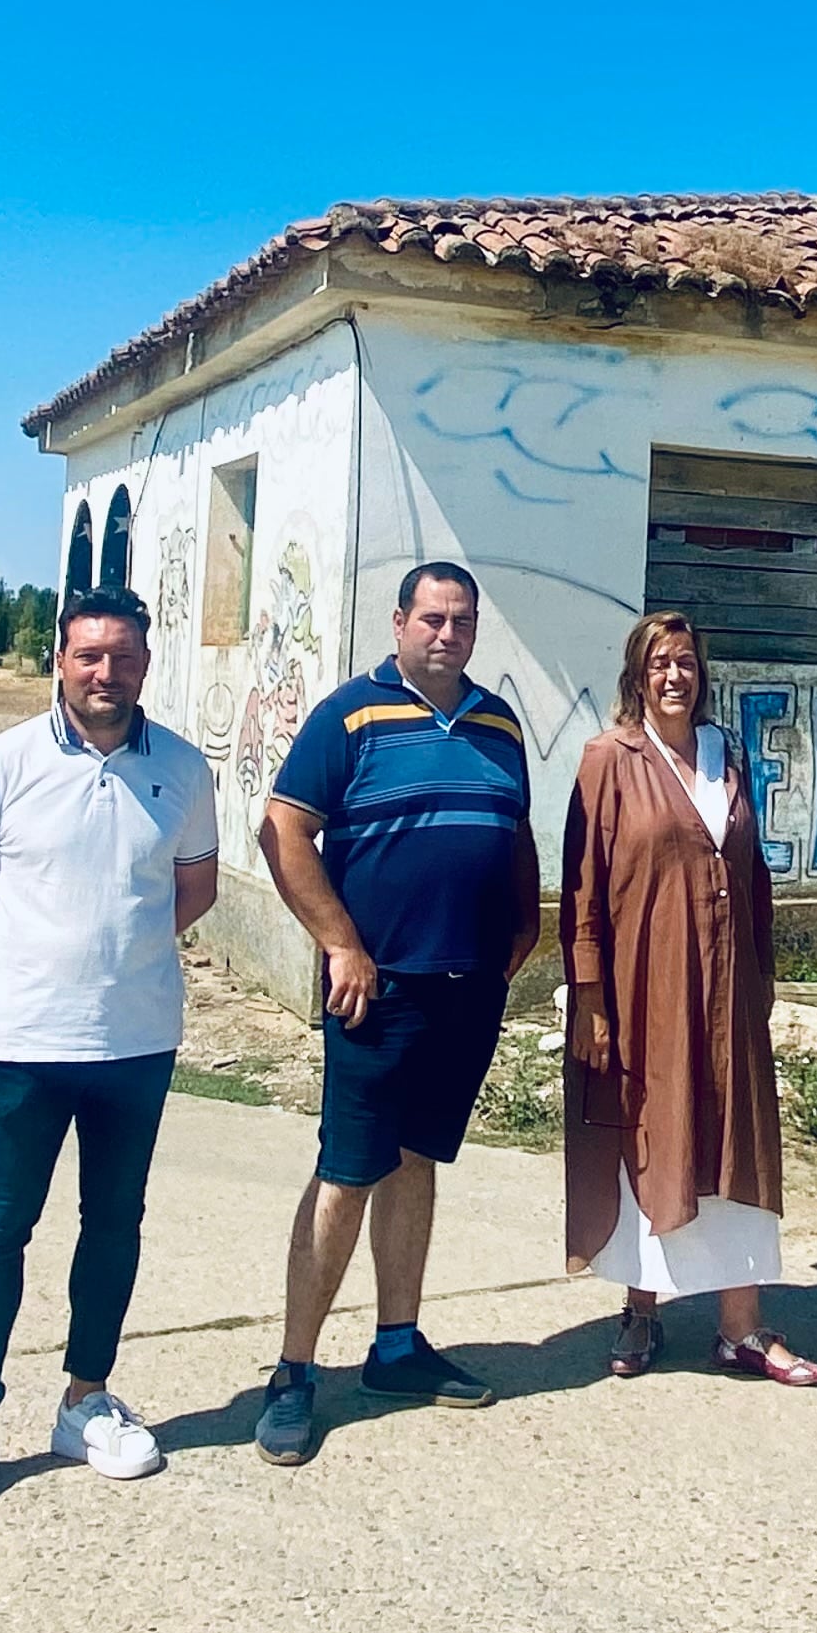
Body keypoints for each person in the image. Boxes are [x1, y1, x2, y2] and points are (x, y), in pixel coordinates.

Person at [0, 586, 221, 1525]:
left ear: (145, 666)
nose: (106, 674)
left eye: (123, 657)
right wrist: (18, 973)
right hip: (21, 1047)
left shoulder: (182, 768)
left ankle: (86, 1402)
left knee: (113, 1224)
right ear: (58, 660)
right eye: (89, 655)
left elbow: (194, 890)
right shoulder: (1, 766)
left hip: (135, 1042)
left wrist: (113, 972)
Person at [252, 561, 540, 1464]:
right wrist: (341, 942)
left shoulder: (498, 723)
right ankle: (294, 1371)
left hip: (467, 989)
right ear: (400, 622)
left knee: (417, 1162)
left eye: (462, 620)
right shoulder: (351, 715)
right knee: (350, 1170)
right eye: (432, 618)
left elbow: (516, 833)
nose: (447, 634)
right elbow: (283, 829)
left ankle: (398, 1346)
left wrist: (524, 930)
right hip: (379, 988)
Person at [557, 610, 817, 1386]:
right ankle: (643, 1309)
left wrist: (764, 969)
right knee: (652, 1128)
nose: (674, 676)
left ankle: (742, 1327)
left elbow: (754, 874)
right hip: (645, 985)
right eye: (658, 664)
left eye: (685, 662)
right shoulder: (608, 759)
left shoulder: (725, 753)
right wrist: (590, 996)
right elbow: (582, 888)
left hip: (729, 988)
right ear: (636, 677)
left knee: (735, 1135)